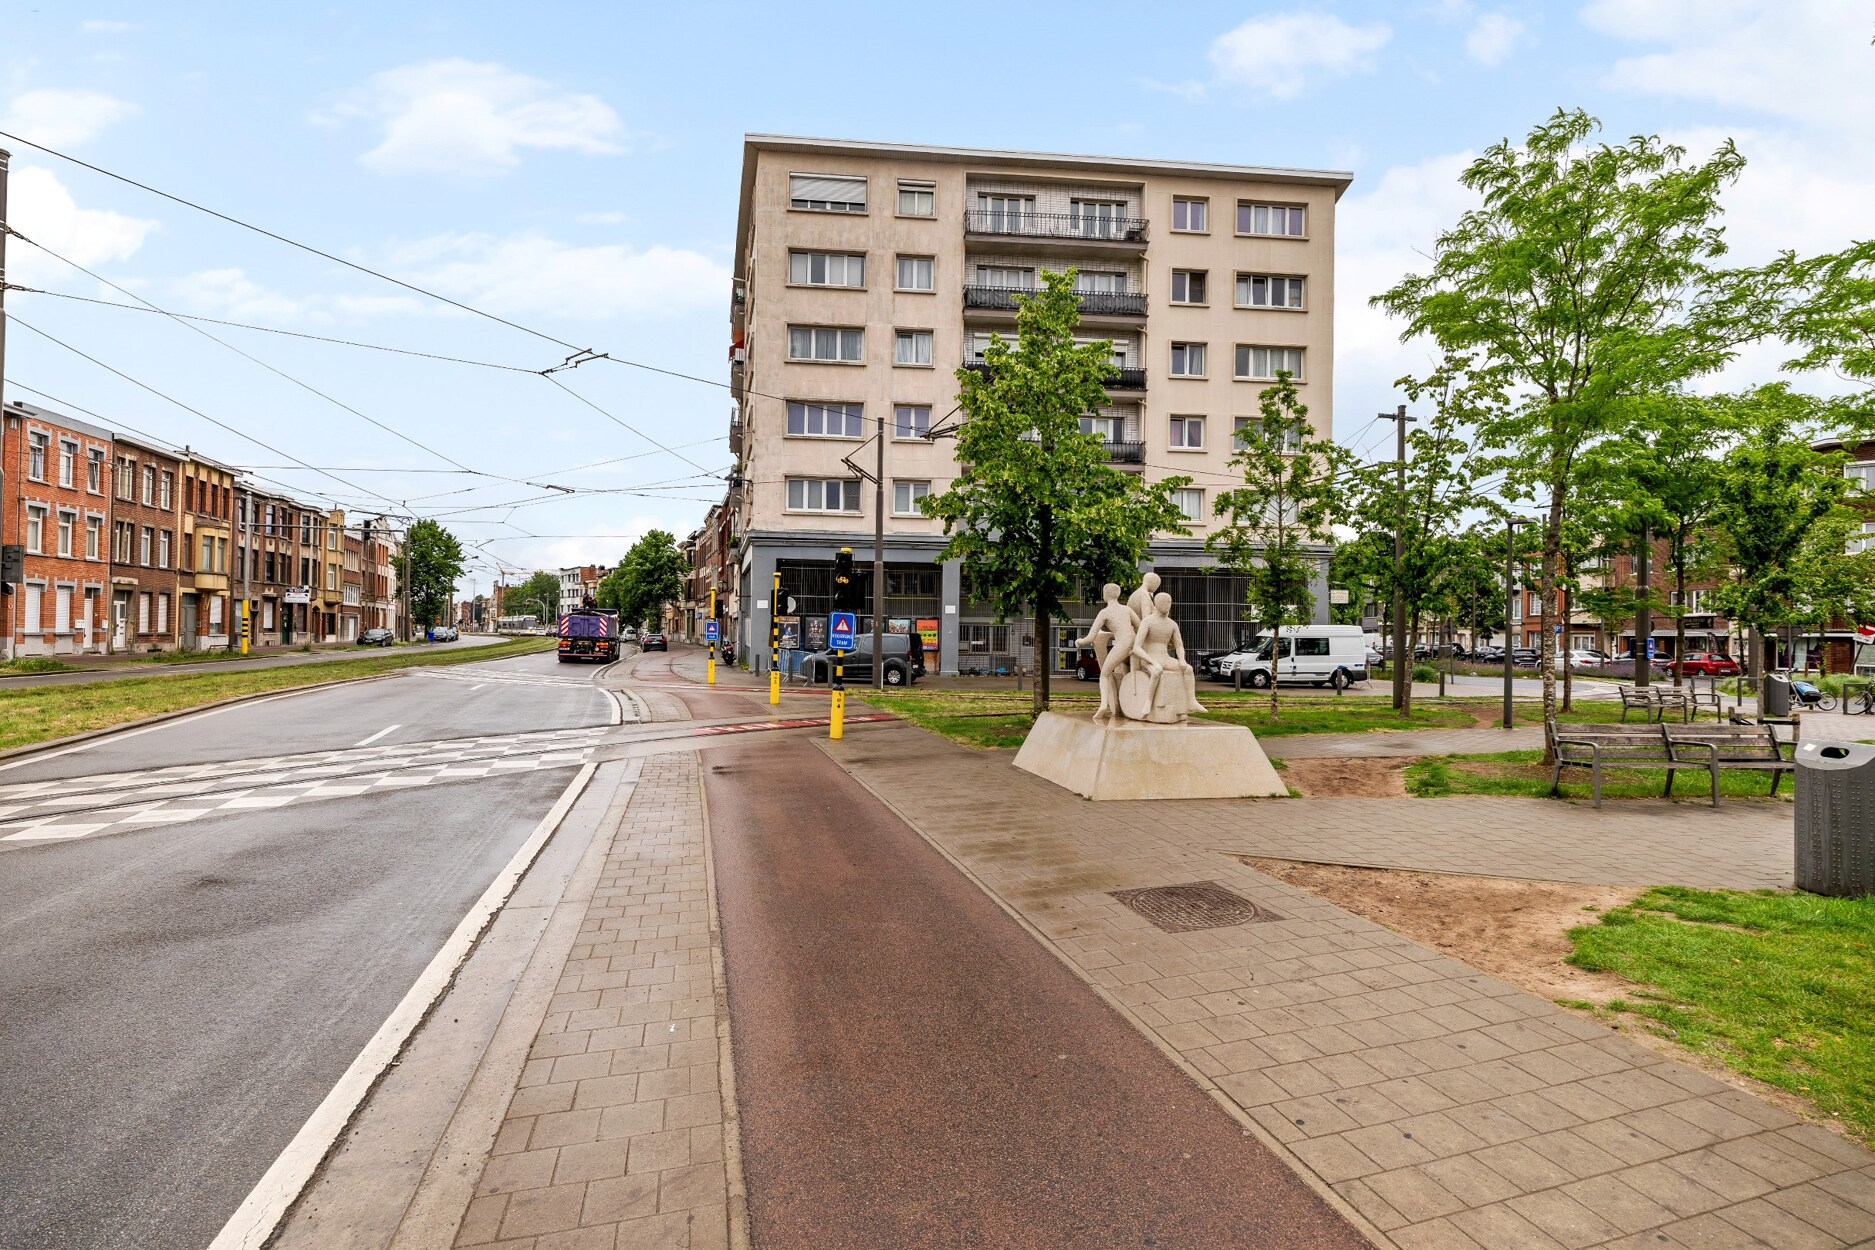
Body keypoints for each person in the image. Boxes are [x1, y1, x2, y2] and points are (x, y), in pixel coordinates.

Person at [1074, 583, 1140, 722]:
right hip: (1134, 643)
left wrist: (1080, 641)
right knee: (1125, 669)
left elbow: (1091, 637)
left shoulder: (1104, 613)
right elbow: (1139, 626)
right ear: (1118, 594)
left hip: (1122, 644)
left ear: (1105, 595)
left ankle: (1103, 705)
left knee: (1104, 673)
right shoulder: (1126, 609)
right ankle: (1127, 704)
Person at [1135, 592, 1204, 721]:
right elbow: (1136, 648)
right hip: (1148, 659)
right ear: (1156, 604)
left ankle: (1191, 701)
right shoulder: (1147, 622)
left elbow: (1179, 646)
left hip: (1165, 658)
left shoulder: (1172, 624)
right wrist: (1152, 661)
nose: (1167, 605)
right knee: (1156, 671)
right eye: (1163, 603)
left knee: (1188, 669)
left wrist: (1182, 659)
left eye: (1169, 603)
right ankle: (1148, 702)